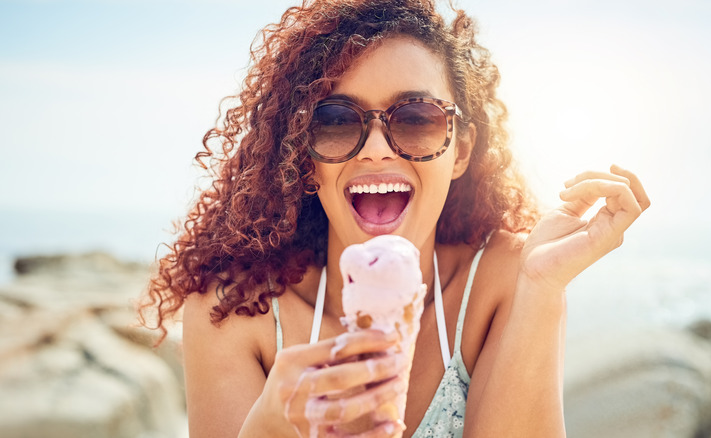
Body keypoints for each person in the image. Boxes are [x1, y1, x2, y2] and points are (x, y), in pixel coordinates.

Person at [138, 0, 650, 437]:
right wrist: (270, 429)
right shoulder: (232, 313)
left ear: (461, 150)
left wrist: (542, 289)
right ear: (303, 157)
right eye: (337, 122)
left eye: (416, 119)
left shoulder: (505, 281)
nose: (377, 149)